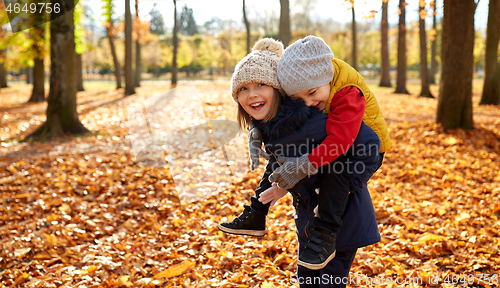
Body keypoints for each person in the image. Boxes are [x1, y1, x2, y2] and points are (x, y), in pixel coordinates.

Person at [218, 38, 382, 272]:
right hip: (308, 220)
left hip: (339, 223)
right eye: (243, 89)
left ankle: (261, 215)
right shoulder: (280, 126)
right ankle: (256, 213)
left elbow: (365, 143)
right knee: (307, 279)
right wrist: (279, 184)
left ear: (279, 90)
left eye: (260, 85)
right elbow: (285, 161)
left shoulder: (315, 121)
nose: (251, 95)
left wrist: (327, 193)